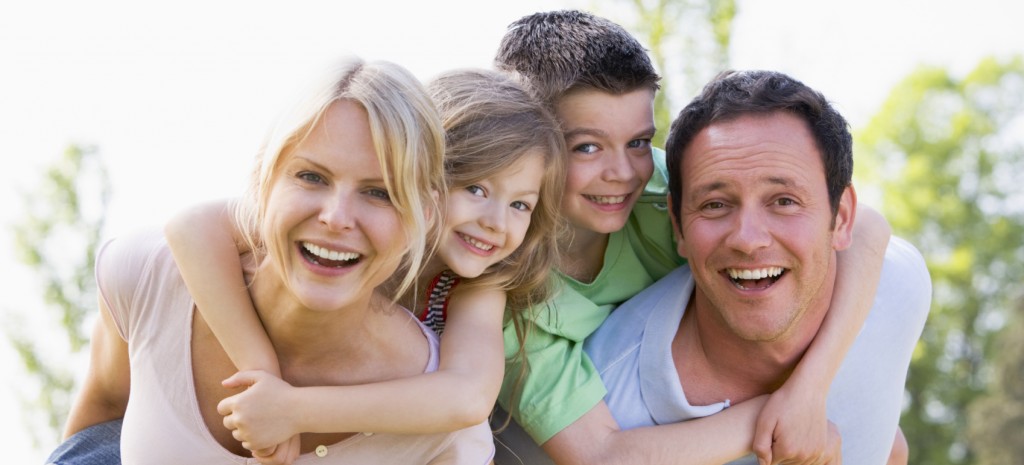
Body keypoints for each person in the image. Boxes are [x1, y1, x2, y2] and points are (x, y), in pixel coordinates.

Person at [491, 10, 894, 465]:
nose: (623, 173)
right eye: (587, 146)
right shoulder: (507, 290)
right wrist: (770, 413)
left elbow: (866, 226)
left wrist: (810, 389)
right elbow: (600, 455)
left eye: (639, 142)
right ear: (522, 141)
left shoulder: (660, 193)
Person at [55, 57, 495, 464]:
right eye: (311, 177)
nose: (336, 218)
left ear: (427, 216)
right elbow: (96, 433)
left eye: (379, 192)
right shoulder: (148, 276)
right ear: (263, 184)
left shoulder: (445, 433)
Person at [157, 68, 566, 460]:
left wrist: (293, 410)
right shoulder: (339, 226)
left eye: (520, 204)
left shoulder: (476, 287)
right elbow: (190, 226)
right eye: (476, 189)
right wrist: (261, 372)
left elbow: (468, 396)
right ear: (418, 179)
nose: (496, 222)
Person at [584, 70, 931, 464]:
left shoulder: (897, 287)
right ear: (678, 228)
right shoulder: (604, 399)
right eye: (715, 205)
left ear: (842, 218)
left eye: (783, 201)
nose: (748, 239)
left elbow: (888, 444)